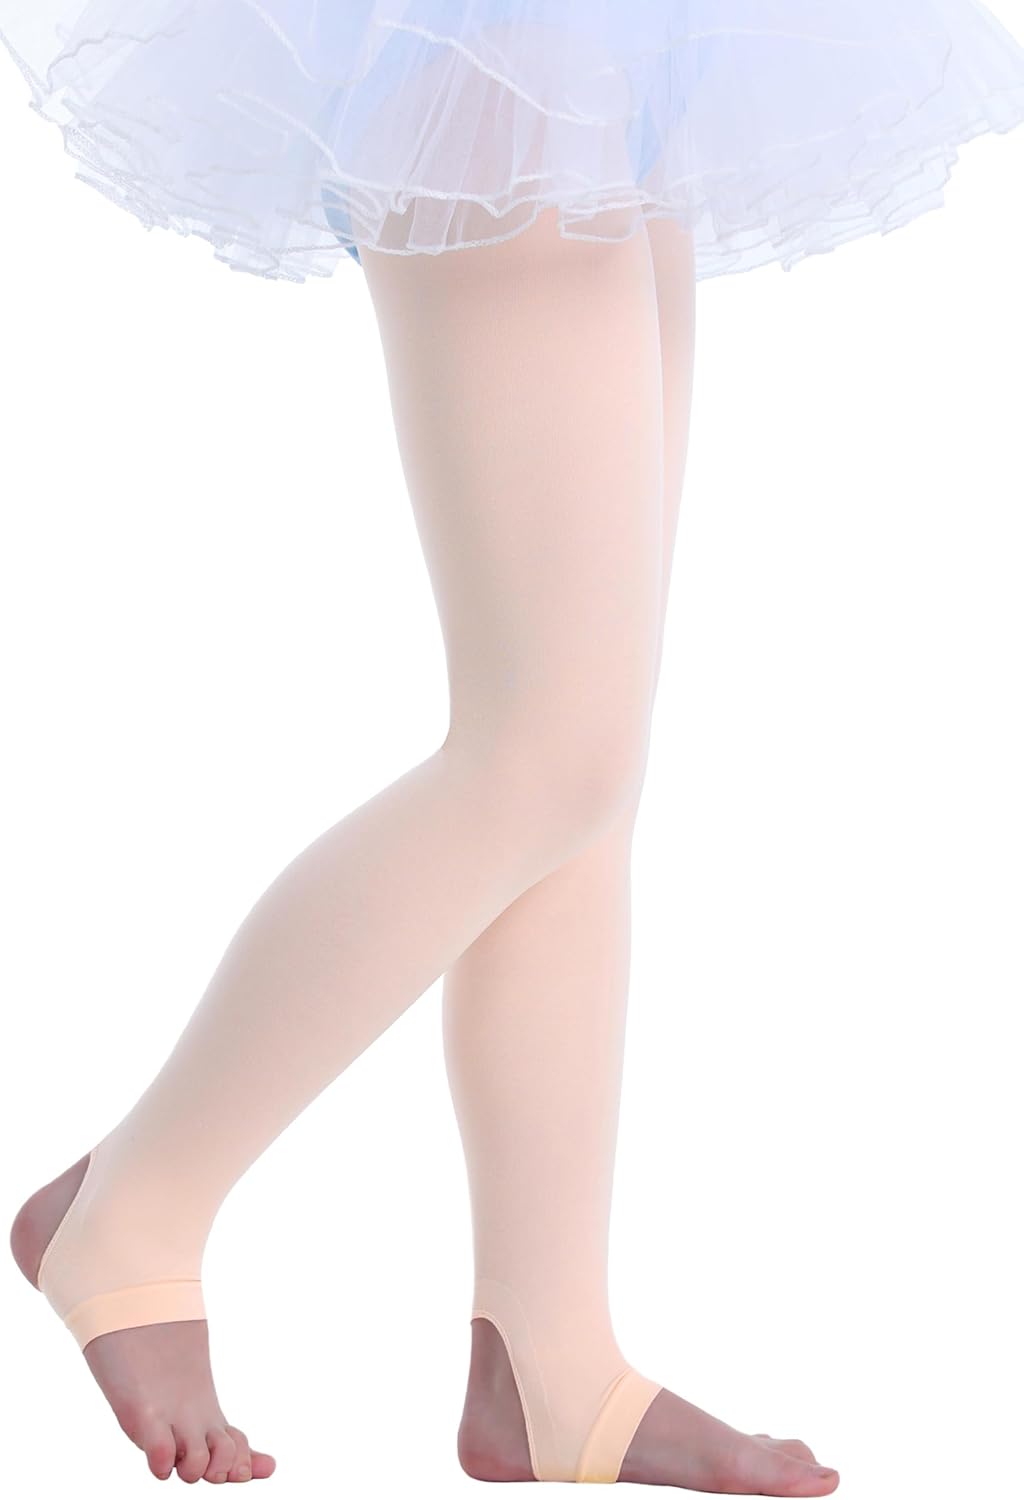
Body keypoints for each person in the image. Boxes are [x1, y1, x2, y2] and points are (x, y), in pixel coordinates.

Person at [4, 3, 1024, 1491]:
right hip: (494, 40)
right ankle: (132, 1206)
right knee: (548, 746)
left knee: (585, 762)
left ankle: (554, 1365)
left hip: (637, 39)